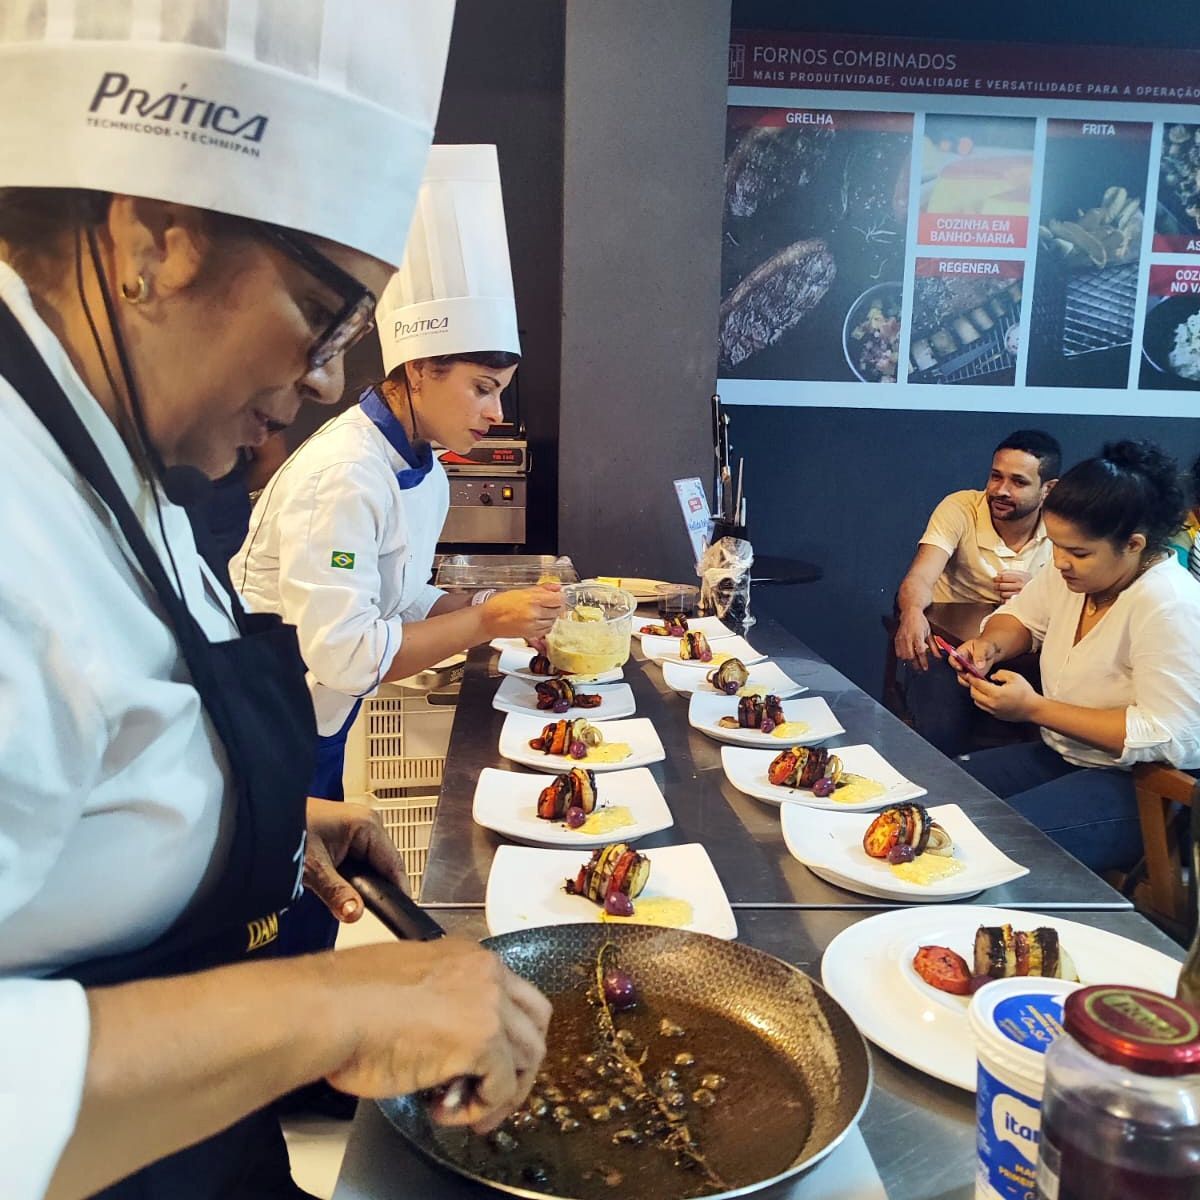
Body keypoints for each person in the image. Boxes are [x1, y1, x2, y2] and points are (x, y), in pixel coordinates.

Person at [0, 7, 551, 1200]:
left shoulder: (114, 465)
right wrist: (332, 1001)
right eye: (323, 317)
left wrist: (241, 823)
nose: (316, 386)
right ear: (159, 236)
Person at [232, 145, 562, 820]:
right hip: (259, 733)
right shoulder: (344, 476)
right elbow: (349, 654)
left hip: (317, 720)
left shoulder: (424, 467)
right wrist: (482, 621)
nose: (496, 414)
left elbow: (403, 597)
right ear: (417, 371)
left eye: (499, 392)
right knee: (283, 917)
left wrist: (501, 610)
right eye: (481, 389)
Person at [951, 441, 1200, 874]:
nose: (1061, 563)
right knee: (938, 790)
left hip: (1140, 787)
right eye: (1057, 547)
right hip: (1063, 755)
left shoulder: (1169, 603)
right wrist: (990, 646)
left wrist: (1034, 708)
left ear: (1134, 544)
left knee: (988, 844)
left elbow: (1167, 734)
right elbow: (1021, 618)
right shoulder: (1070, 575)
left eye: (1078, 553)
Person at [892, 429, 1062, 755]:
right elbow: (920, 577)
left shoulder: (1063, 524)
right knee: (941, 719)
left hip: (1031, 653)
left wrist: (1037, 591)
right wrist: (911, 612)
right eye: (995, 476)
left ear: (1048, 489)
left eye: (1018, 482)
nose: (1000, 490)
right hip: (952, 646)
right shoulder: (961, 507)